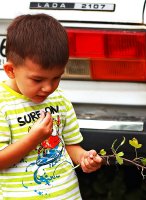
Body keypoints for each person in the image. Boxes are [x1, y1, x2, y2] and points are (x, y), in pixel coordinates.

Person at [0, 13, 102, 199]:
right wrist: (33, 139)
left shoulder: (59, 98)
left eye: (57, 77)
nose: (48, 87)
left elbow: (70, 145)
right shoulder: (2, 104)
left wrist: (84, 157)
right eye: (37, 79)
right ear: (11, 70)